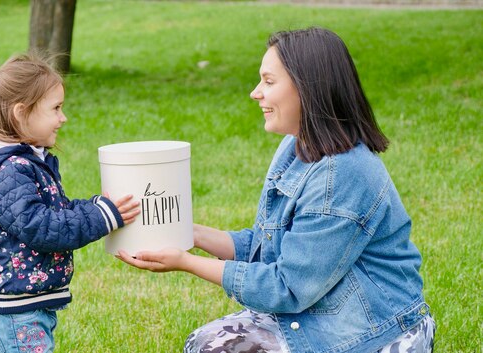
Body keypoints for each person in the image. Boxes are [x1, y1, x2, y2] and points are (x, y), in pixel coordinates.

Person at [117, 27, 435, 353]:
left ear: (307, 88)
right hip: (323, 308)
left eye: (269, 82)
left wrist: (186, 262)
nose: (256, 93)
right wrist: (186, 232)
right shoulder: (294, 147)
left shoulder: (341, 175)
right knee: (203, 344)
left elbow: (287, 287)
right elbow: (263, 246)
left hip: (377, 328)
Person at [0, 53, 140, 353]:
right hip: (16, 311)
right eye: (56, 108)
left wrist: (96, 206)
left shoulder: (24, 163)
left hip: (25, 305)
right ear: (21, 113)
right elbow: (43, 227)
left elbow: (52, 213)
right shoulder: (9, 171)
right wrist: (102, 217)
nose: (63, 117)